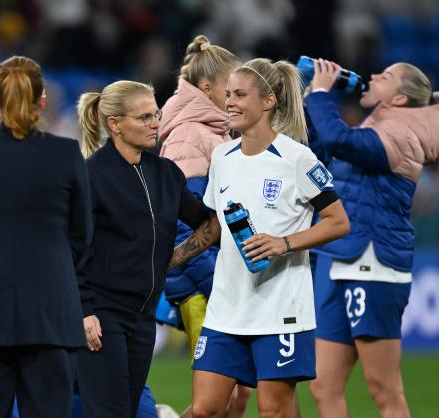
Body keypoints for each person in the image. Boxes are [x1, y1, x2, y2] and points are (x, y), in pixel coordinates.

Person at [170, 59, 349, 418]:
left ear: (267, 101)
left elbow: (338, 222)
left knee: (273, 411)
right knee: (205, 409)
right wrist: (169, 260)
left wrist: (283, 243)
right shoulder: (222, 156)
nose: (230, 102)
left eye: (240, 95)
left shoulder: (296, 157)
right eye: (228, 95)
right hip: (227, 307)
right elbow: (215, 227)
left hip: (280, 309)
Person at [305, 60, 439, 418]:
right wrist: (310, 101)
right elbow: (326, 152)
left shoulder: (404, 133)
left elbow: (338, 139)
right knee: (323, 385)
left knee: (383, 388)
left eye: (384, 77)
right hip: (341, 256)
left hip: (374, 259)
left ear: (400, 99)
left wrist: (323, 93)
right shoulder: (380, 125)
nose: (371, 77)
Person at [0, 56, 92, 418]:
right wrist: (51, 269)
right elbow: (82, 235)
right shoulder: (65, 154)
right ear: (43, 100)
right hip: (50, 314)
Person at [76, 80, 216, 418]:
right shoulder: (90, 175)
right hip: (101, 312)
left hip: (144, 316)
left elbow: (208, 223)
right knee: (108, 412)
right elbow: (70, 250)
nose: (154, 124)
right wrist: (84, 311)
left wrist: (175, 258)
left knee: (125, 410)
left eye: (155, 115)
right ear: (115, 124)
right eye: (143, 118)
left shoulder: (166, 172)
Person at [158, 34, 251, 418]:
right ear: (208, 87)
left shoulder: (214, 132)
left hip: (220, 283)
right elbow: (183, 223)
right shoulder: (187, 135)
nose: (235, 97)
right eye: (231, 89)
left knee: (238, 395)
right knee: (216, 402)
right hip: (202, 287)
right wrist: (222, 285)